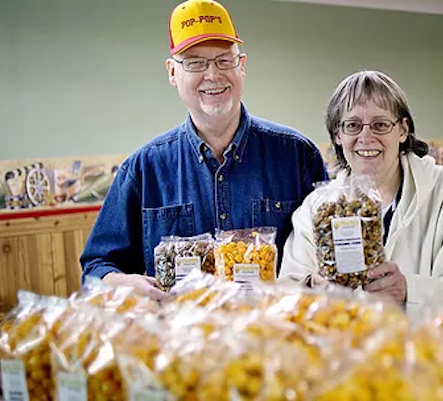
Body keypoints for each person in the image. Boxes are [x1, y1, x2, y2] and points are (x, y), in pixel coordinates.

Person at [80, 0, 328, 299]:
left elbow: (325, 250)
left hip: (274, 337)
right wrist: (114, 282)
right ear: (173, 73)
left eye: (224, 60)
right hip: (180, 339)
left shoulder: (298, 156)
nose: (213, 74)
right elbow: (96, 266)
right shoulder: (144, 169)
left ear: (242, 66)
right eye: (195, 62)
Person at [279, 71, 443, 319]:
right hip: (343, 354)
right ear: (338, 135)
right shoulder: (319, 207)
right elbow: (286, 295)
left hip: (427, 354)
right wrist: (312, 289)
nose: (366, 137)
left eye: (380, 124)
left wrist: (410, 292)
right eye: (352, 125)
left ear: (403, 130)